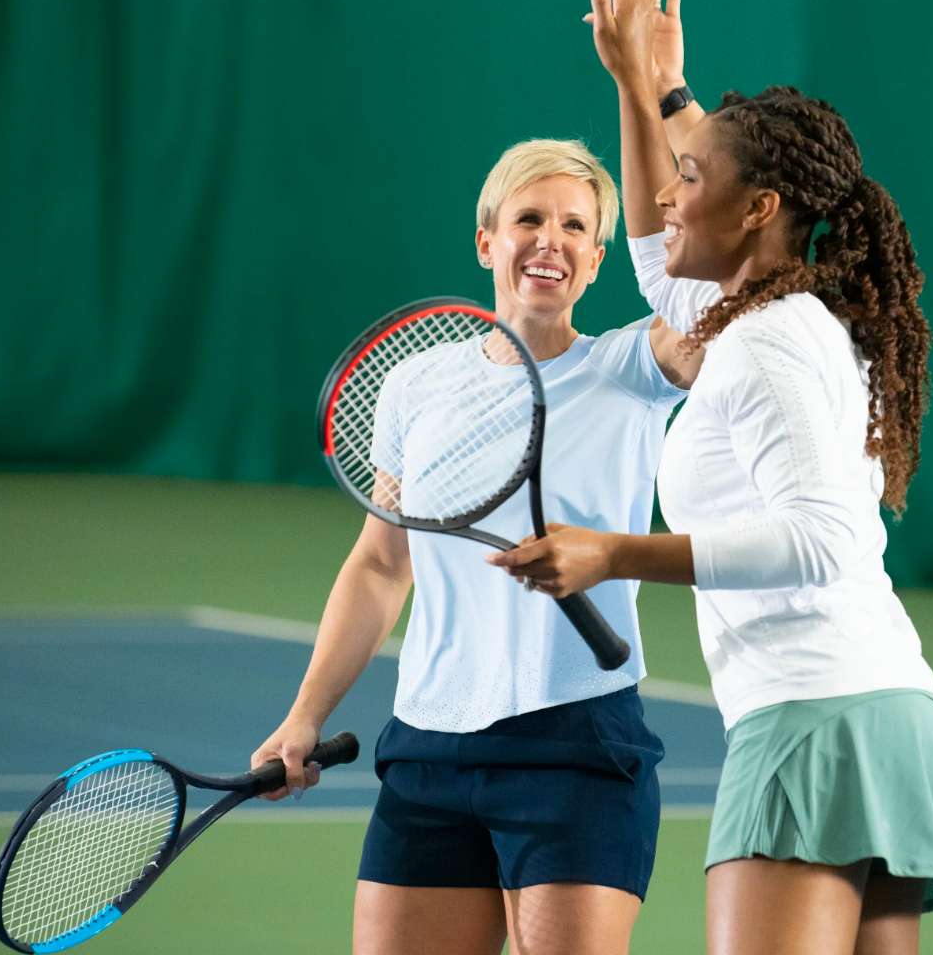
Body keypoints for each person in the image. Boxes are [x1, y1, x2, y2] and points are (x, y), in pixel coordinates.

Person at [489, 0, 933, 953]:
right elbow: (664, 270)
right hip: (872, 709)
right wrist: (646, 84)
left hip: (811, 722)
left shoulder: (768, 349)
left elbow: (822, 537)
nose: (665, 189)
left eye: (688, 174)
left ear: (760, 210)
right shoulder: (765, 320)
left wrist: (614, 553)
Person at [251, 137, 704, 955]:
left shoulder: (631, 371)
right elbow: (382, 564)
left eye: (575, 227)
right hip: (429, 749)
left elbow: (709, 312)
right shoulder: (415, 386)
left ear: (600, 260)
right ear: (486, 240)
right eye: (530, 217)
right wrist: (303, 716)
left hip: (576, 745)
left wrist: (658, 93)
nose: (551, 240)